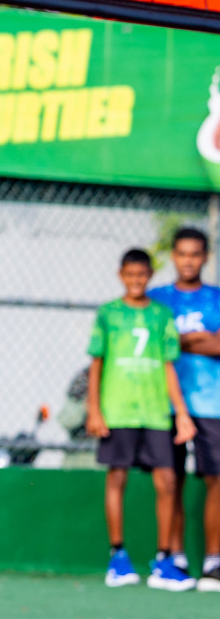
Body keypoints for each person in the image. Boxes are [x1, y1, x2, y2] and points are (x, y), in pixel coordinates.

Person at [87, 247, 197, 591]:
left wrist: (181, 412)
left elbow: (168, 366)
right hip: (118, 410)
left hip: (154, 412)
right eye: (129, 275)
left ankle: (164, 560)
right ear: (121, 275)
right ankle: (117, 557)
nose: (136, 281)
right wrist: (95, 409)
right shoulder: (108, 314)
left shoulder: (162, 315)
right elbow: (96, 364)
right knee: (117, 478)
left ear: (149, 276)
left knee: (166, 481)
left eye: (142, 275)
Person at [149, 227, 220, 592]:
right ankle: (174, 557)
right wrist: (200, 340)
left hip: (211, 403)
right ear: (174, 257)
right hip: (165, 405)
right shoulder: (157, 298)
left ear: (205, 256)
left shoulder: (216, 298)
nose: (189, 260)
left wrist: (177, 340)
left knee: (215, 479)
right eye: (182, 253)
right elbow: (152, 349)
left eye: (196, 253)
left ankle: (213, 562)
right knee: (170, 482)